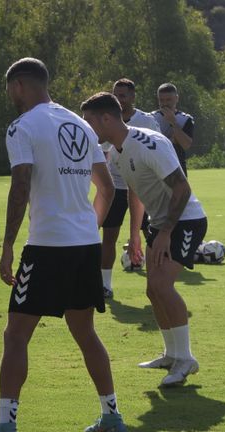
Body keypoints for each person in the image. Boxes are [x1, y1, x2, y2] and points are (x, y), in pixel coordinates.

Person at [0, 58, 124, 432]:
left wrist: (6, 246)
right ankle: (112, 416)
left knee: (16, 335)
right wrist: (86, 226)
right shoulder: (82, 125)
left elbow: (20, 187)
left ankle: (5, 427)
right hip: (84, 247)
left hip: (47, 246)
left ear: (18, 85)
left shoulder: (22, 127)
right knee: (85, 332)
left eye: (9, 90)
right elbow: (107, 188)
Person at [82, 92, 207, 387]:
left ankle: (186, 359)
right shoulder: (118, 152)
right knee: (152, 290)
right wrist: (137, 236)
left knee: (162, 286)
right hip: (160, 224)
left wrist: (165, 233)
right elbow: (136, 193)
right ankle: (171, 354)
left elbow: (182, 188)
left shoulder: (147, 142)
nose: (88, 128)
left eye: (90, 121)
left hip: (185, 221)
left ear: (107, 118)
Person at [100, 79, 160, 299]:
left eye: (123, 96)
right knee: (109, 235)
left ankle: (156, 283)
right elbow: (103, 153)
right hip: (116, 186)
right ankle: (105, 284)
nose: (119, 100)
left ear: (133, 97)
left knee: (152, 235)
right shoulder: (106, 119)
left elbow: (158, 150)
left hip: (143, 187)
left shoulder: (147, 121)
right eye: (115, 95)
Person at [152, 83, 193, 176]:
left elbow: (186, 144)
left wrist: (173, 123)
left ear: (177, 98)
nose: (165, 104)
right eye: (161, 100)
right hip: (156, 168)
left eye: (169, 100)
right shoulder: (150, 118)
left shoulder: (185, 119)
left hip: (178, 168)